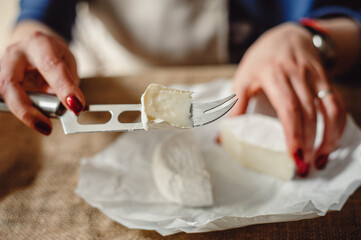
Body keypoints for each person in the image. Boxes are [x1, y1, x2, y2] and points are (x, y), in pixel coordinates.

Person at [0, 0, 360, 177]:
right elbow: (42, 13)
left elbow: (347, 14)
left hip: (271, 78)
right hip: (117, 79)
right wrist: (32, 46)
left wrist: (313, 38)